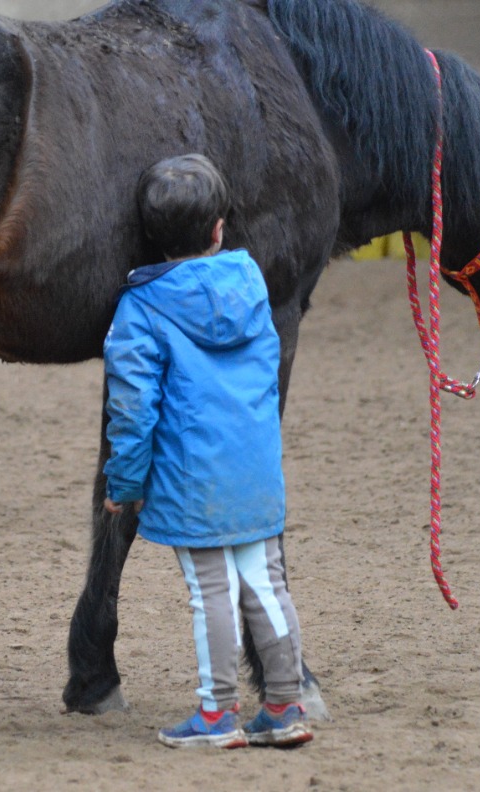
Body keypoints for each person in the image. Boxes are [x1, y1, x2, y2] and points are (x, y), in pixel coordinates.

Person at [102, 153, 313, 749]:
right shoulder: (252, 285)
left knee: (210, 592)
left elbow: (133, 409)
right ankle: (283, 704)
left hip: (193, 479)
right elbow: (268, 373)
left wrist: (124, 484)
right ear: (219, 229)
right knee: (266, 583)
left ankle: (217, 714)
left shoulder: (140, 308)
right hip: (256, 470)